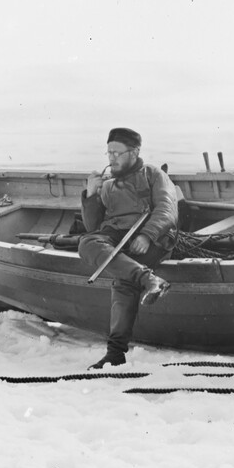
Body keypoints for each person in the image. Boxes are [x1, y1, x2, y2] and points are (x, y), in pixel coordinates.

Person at [77, 127, 177, 369]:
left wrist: (146, 235)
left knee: (124, 282)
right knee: (87, 243)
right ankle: (149, 279)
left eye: (117, 153)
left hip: (152, 237)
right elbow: (93, 227)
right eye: (108, 153)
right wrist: (91, 195)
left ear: (134, 152)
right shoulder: (108, 185)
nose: (111, 158)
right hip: (117, 236)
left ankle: (115, 353)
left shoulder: (153, 174)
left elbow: (167, 210)